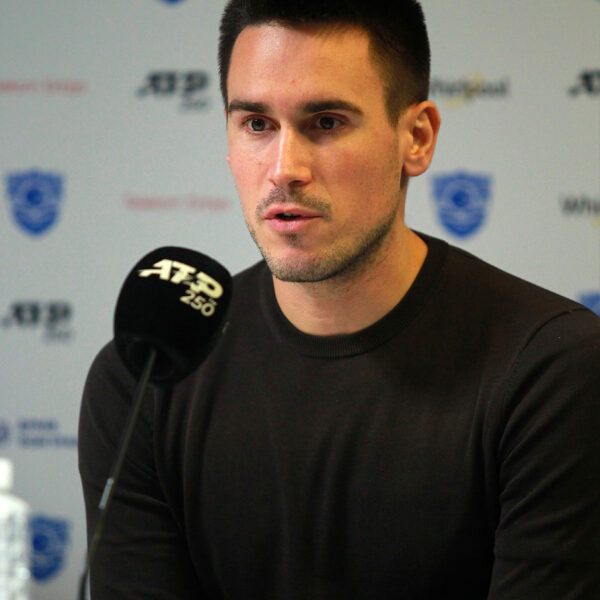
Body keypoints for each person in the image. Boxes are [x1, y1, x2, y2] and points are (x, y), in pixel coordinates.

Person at [78, 1, 600, 598]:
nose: (284, 169)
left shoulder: (551, 370)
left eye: (325, 122)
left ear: (417, 138)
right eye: (256, 124)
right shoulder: (147, 376)